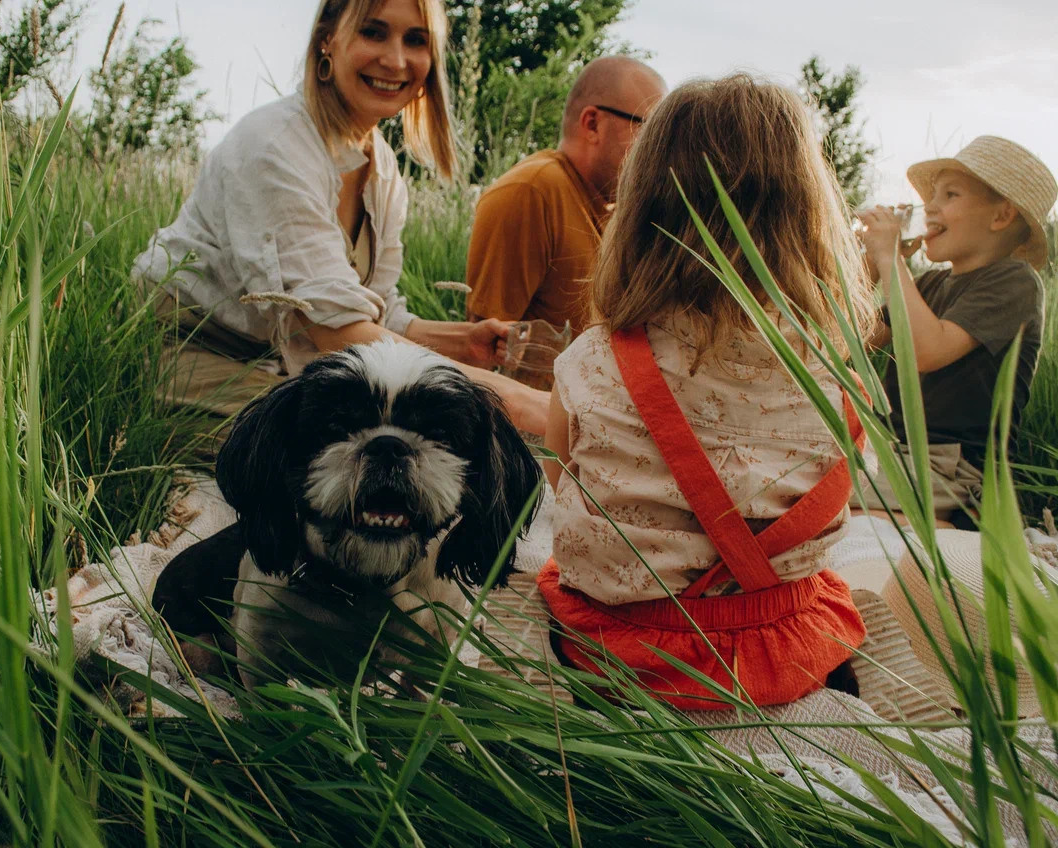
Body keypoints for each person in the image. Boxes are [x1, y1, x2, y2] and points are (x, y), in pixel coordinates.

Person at [535, 74, 878, 710]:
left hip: (627, 649)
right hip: (783, 646)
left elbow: (563, 480)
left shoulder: (593, 360)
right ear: (807, 213)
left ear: (642, 207)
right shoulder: (833, 373)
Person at [131, 0, 548, 434]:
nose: (396, 60)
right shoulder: (275, 147)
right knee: (342, 450)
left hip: (273, 365)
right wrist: (520, 402)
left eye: (415, 40)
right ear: (327, 38)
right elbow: (339, 335)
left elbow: (372, 317)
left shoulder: (383, 170)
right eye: (373, 32)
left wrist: (462, 342)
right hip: (188, 354)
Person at [856, 136, 1056, 522]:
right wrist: (873, 263)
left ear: (1000, 217)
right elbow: (852, 338)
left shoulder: (1015, 283)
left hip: (960, 470)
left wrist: (889, 261)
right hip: (899, 455)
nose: (929, 206)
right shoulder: (928, 286)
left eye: (950, 195)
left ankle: (952, 526)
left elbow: (928, 352)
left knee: (824, 495)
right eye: (931, 196)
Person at [464, 57, 668, 334]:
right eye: (649, 130)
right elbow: (486, 345)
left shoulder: (612, 207)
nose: (658, 150)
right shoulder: (532, 192)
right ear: (593, 124)